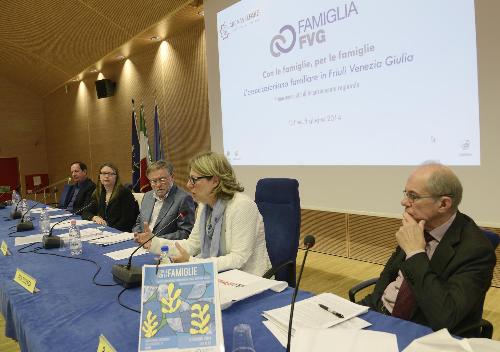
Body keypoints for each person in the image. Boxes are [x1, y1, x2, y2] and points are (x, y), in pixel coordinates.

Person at [359, 163, 496, 337]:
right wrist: (375, 306)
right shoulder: (418, 225)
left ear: (443, 204)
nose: (403, 202)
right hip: (381, 314)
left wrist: (415, 252)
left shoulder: (477, 250)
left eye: (413, 196)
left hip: (422, 331)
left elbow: (445, 316)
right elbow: (388, 275)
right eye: (405, 193)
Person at [135, 152, 272, 276]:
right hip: (218, 274)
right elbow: (193, 245)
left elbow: (238, 258)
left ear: (215, 181)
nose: (188, 185)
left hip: (247, 277)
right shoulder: (204, 206)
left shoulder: (242, 206)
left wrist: (191, 262)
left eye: (194, 180)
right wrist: (154, 242)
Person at [132, 160, 195, 240]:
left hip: (164, 247)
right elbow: (139, 222)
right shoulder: (147, 196)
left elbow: (185, 232)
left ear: (172, 177)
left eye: (162, 179)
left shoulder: (183, 199)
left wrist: (154, 240)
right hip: (142, 244)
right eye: (154, 181)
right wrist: (138, 235)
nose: (158, 185)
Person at [82, 163, 139, 232]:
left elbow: (127, 220)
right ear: (99, 177)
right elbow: (86, 212)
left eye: (110, 174)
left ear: (116, 177)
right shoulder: (98, 192)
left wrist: (108, 230)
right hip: (104, 230)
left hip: (119, 232)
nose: (106, 176)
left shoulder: (124, 192)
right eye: (103, 173)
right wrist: (94, 217)